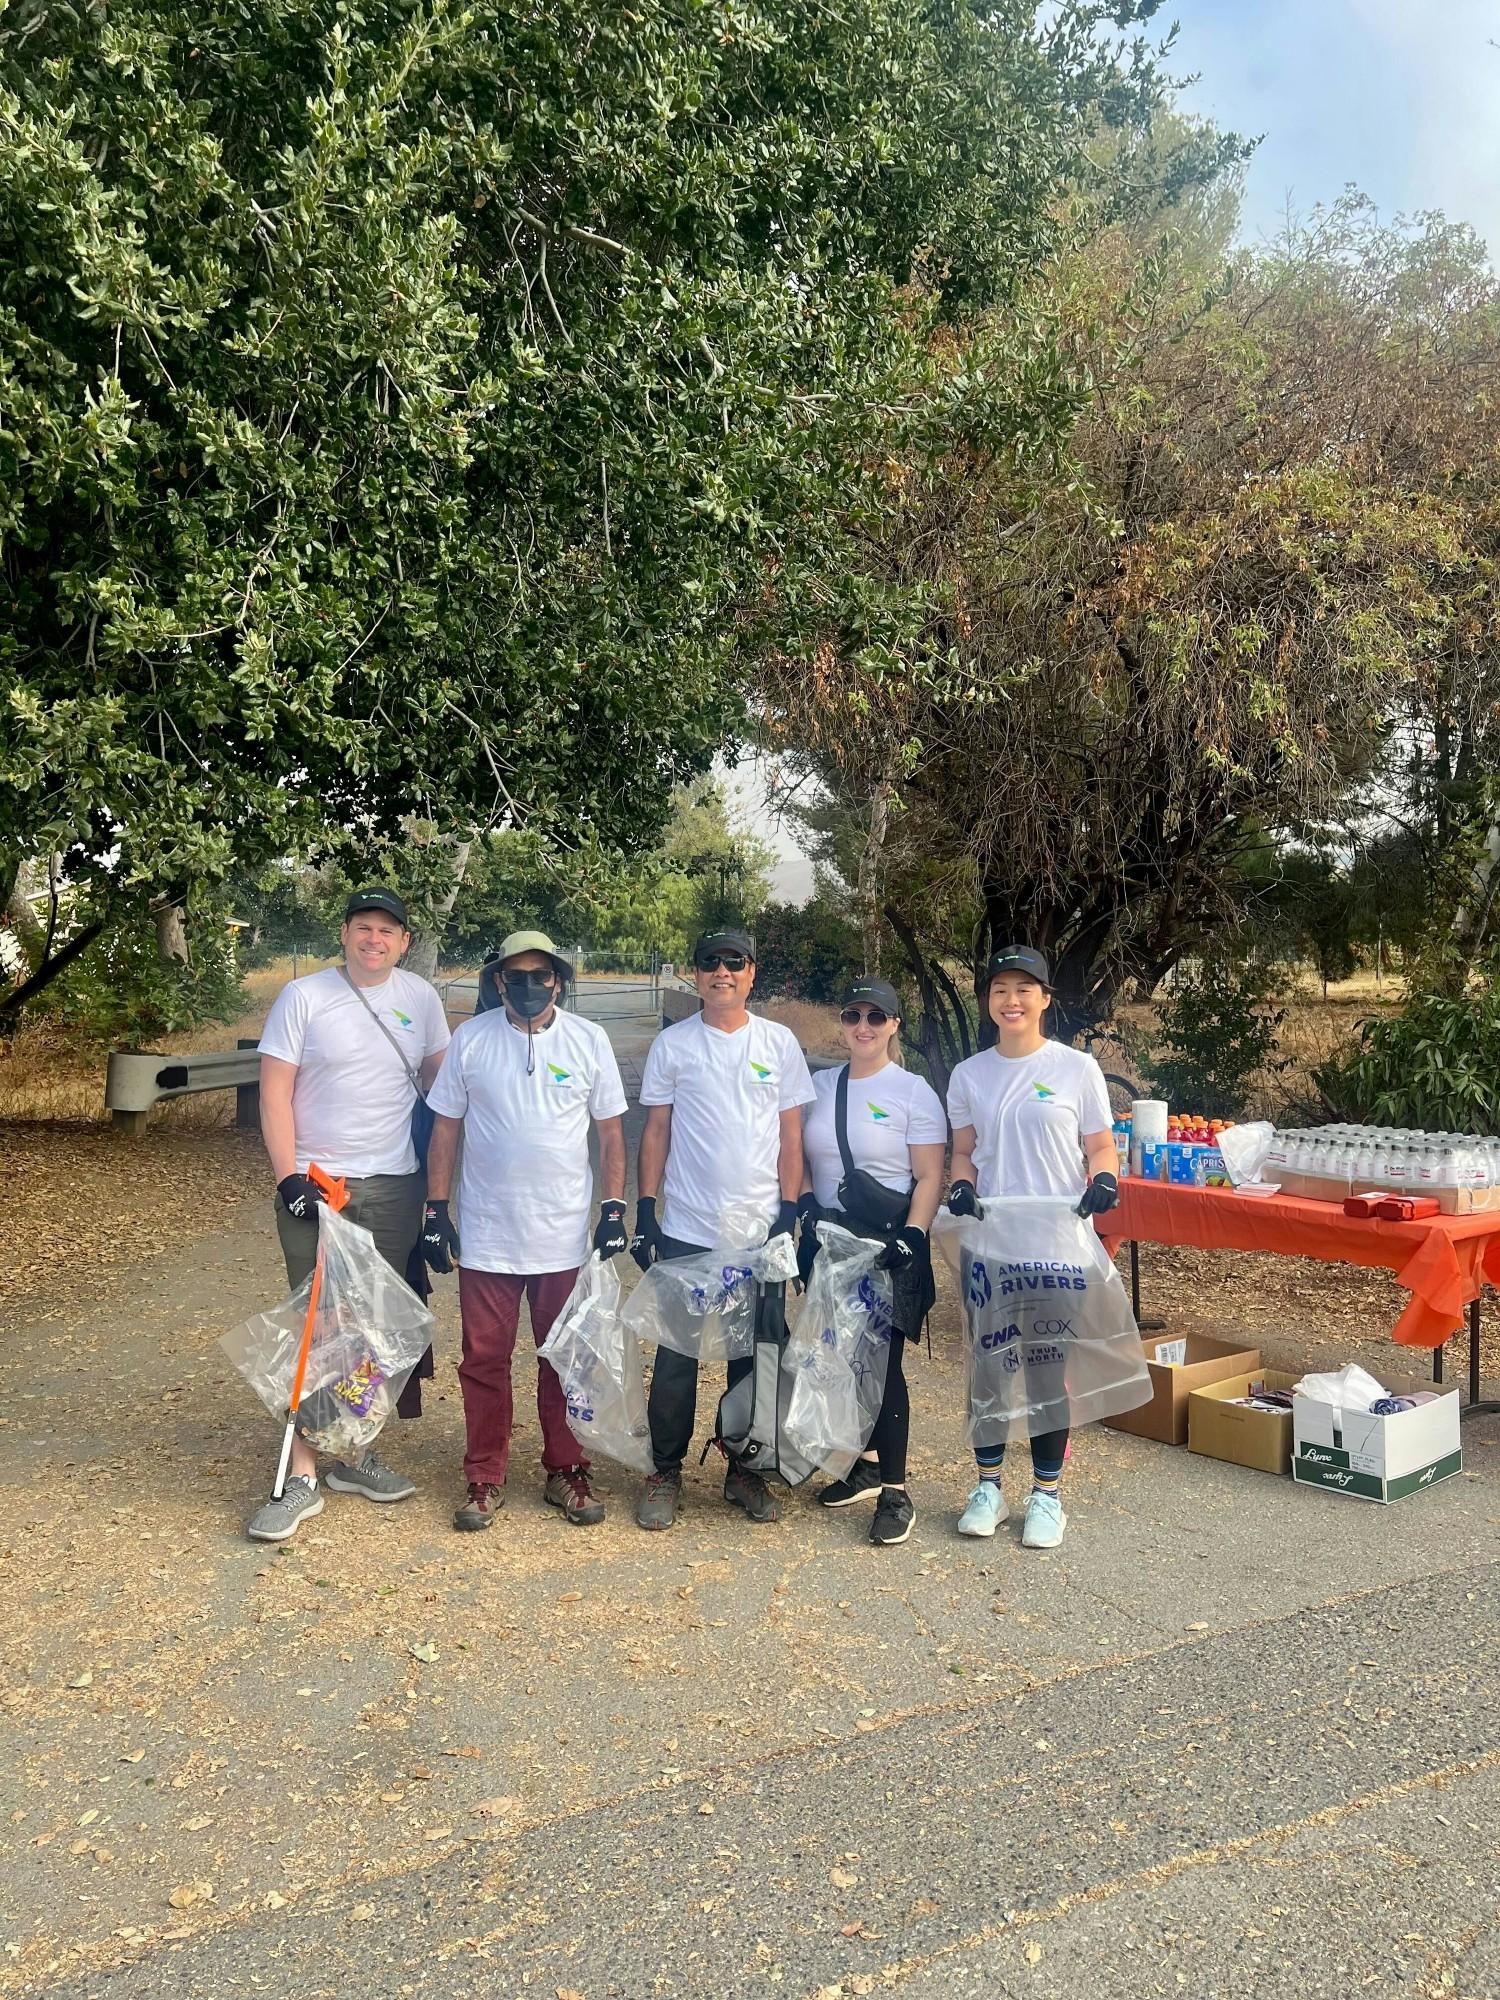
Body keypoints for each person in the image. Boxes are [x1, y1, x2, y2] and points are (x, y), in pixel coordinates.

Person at [247, 887, 451, 1542]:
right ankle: (302, 1473)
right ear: (344, 934)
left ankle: (354, 1452)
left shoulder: (421, 1000)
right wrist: (288, 1178)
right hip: (319, 1182)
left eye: (386, 931)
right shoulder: (303, 997)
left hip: (394, 1186)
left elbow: (445, 1089)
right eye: (363, 928)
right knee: (318, 1322)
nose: (374, 939)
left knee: (373, 1325)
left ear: (404, 942)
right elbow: (274, 1093)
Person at [420, 932, 629, 1531]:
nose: (530, 987)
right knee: (483, 1360)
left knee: (563, 1359)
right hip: (489, 1234)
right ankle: (484, 1475)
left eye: (541, 976)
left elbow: (612, 1133)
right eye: (516, 976)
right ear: (499, 983)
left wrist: (613, 1208)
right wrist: (437, 1212)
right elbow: (445, 1129)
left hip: (562, 1234)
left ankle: (567, 1469)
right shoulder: (471, 1040)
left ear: (559, 981)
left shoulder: (588, 1040)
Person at [631, 928, 815, 1530]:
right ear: (697, 974)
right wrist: (646, 1210)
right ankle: (665, 1470)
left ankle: (744, 1469)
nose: (721, 973)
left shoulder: (779, 1042)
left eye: (733, 963)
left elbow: (792, 1135)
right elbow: (655, 1130)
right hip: (687, 1224)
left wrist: (791, 1212)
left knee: (752, 1356)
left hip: (758, 1230)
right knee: (678, 1354)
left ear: (751, 973)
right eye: (709, 964)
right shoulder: (674, 1045)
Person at [944, 946, 1119, 1549]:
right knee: (988, 1370)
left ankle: (1047, 1495)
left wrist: (1104, 1179)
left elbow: (1099, 1145)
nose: (1011, 1000)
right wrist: (961, 1185)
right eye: (999, 990)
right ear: (988, 1002)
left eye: (1024, 989)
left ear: (1045, 999)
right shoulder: (969, 1074)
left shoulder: (1076, 1069)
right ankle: (988, 1486)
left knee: (1046, 1372)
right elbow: (964, 1151)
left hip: (1055, 1247)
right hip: (991, 1244)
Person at [797, 978, 946, 1547]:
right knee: (840, 1355)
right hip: (832, 1242)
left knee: (882, 1367)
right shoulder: (819, 1085)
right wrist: (807, 1201)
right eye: (853, 1015)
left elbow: (930, 1174)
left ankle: (896, 1490)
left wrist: (914, 1234)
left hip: (888, 1246)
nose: (863, 1027)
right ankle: (862, 1464)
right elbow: (803, 1153)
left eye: (876, 1018)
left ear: (893, 1027)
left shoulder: (912, 1092)